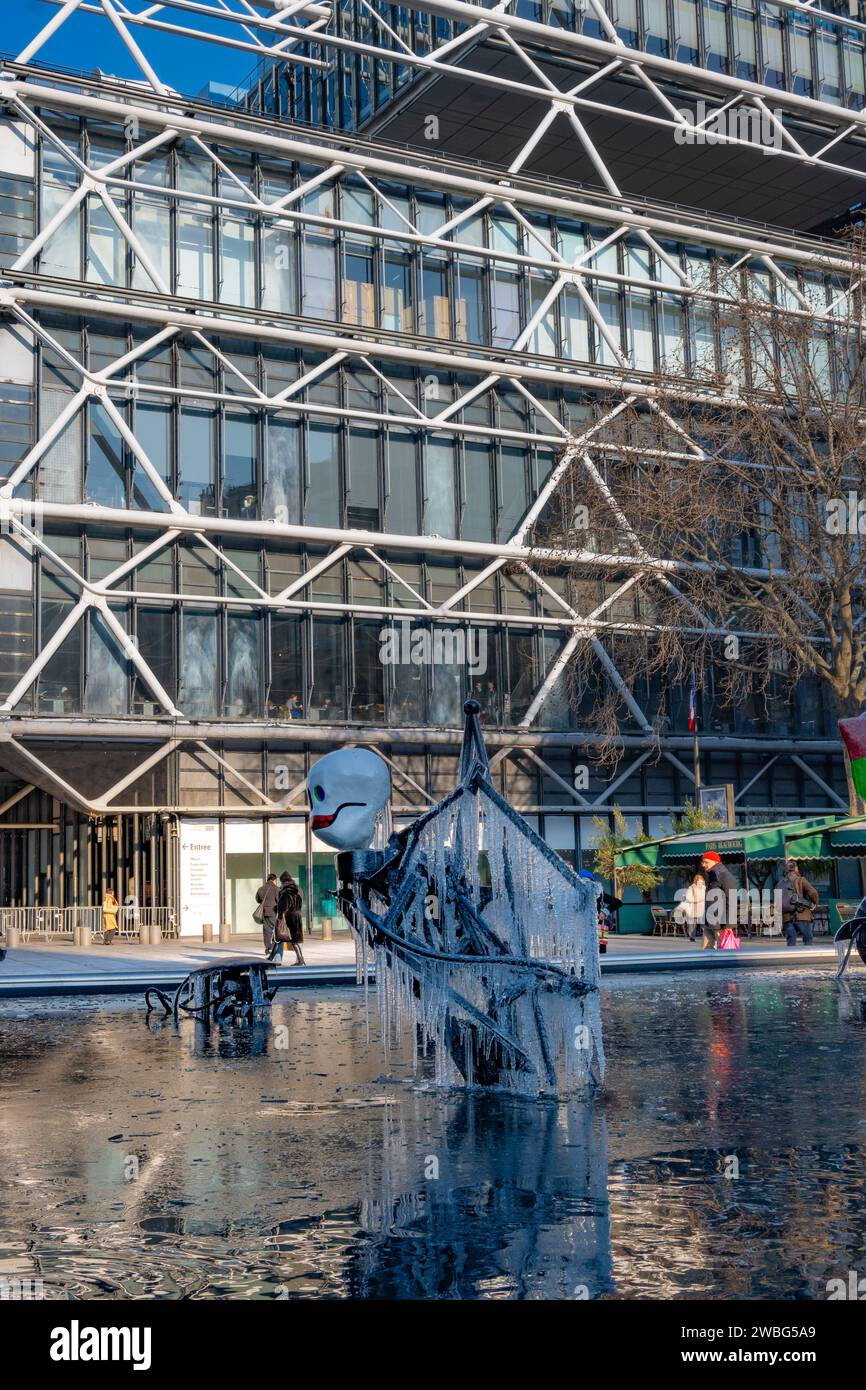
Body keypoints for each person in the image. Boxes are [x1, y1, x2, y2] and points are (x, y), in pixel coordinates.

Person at [700, 851, 737, 950]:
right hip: (709, 922)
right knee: (706, 952)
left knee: (723, 951)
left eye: (706, 862)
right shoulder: (710, 876)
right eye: (702, 862)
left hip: (720, 924)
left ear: (715, 862)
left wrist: (728, 925)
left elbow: (732, 901)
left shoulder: (725, 876)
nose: (703, 865)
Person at [778, 858, 819, 947]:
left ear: (786, 870)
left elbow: (777, 902)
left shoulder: (780, 883)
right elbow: (813, 893)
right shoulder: (801, 880)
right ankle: (807, 959)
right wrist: (814, 904)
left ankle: (791, 960)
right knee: (807, 939)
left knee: (791, 942)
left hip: (786, 918)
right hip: (802, 915)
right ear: (796, 869)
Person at [273, 870, 306, 966]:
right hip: (297, 918)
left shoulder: (286, 892)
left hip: (289, 918)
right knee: (294, 940)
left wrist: (278, 913)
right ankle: (300, 960)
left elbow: (282, 907)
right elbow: (299, 905)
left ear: (284, 881)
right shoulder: (297, 891)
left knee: (280, 939)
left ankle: (277, 959)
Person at [678, 868, 706, 942]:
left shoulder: (704, 888)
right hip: (693, 907)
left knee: (703, 923)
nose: (700, 882)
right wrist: (697, 900)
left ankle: (706, 936)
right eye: (699, 881)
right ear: (696, 881)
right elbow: (688, 898)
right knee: (692, 923)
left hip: (702, 908)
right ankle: (692, 937)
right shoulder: (691, 888)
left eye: (701, 881)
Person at [255, 872, 279, 957]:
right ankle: (274, 947)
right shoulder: (276, 889)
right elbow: (279, 900)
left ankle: (267, 948)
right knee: (276, 931)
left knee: (266, 931)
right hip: (273, 912)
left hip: (264, 912)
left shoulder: (261, 889)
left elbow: (257, 899)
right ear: (274, 880)